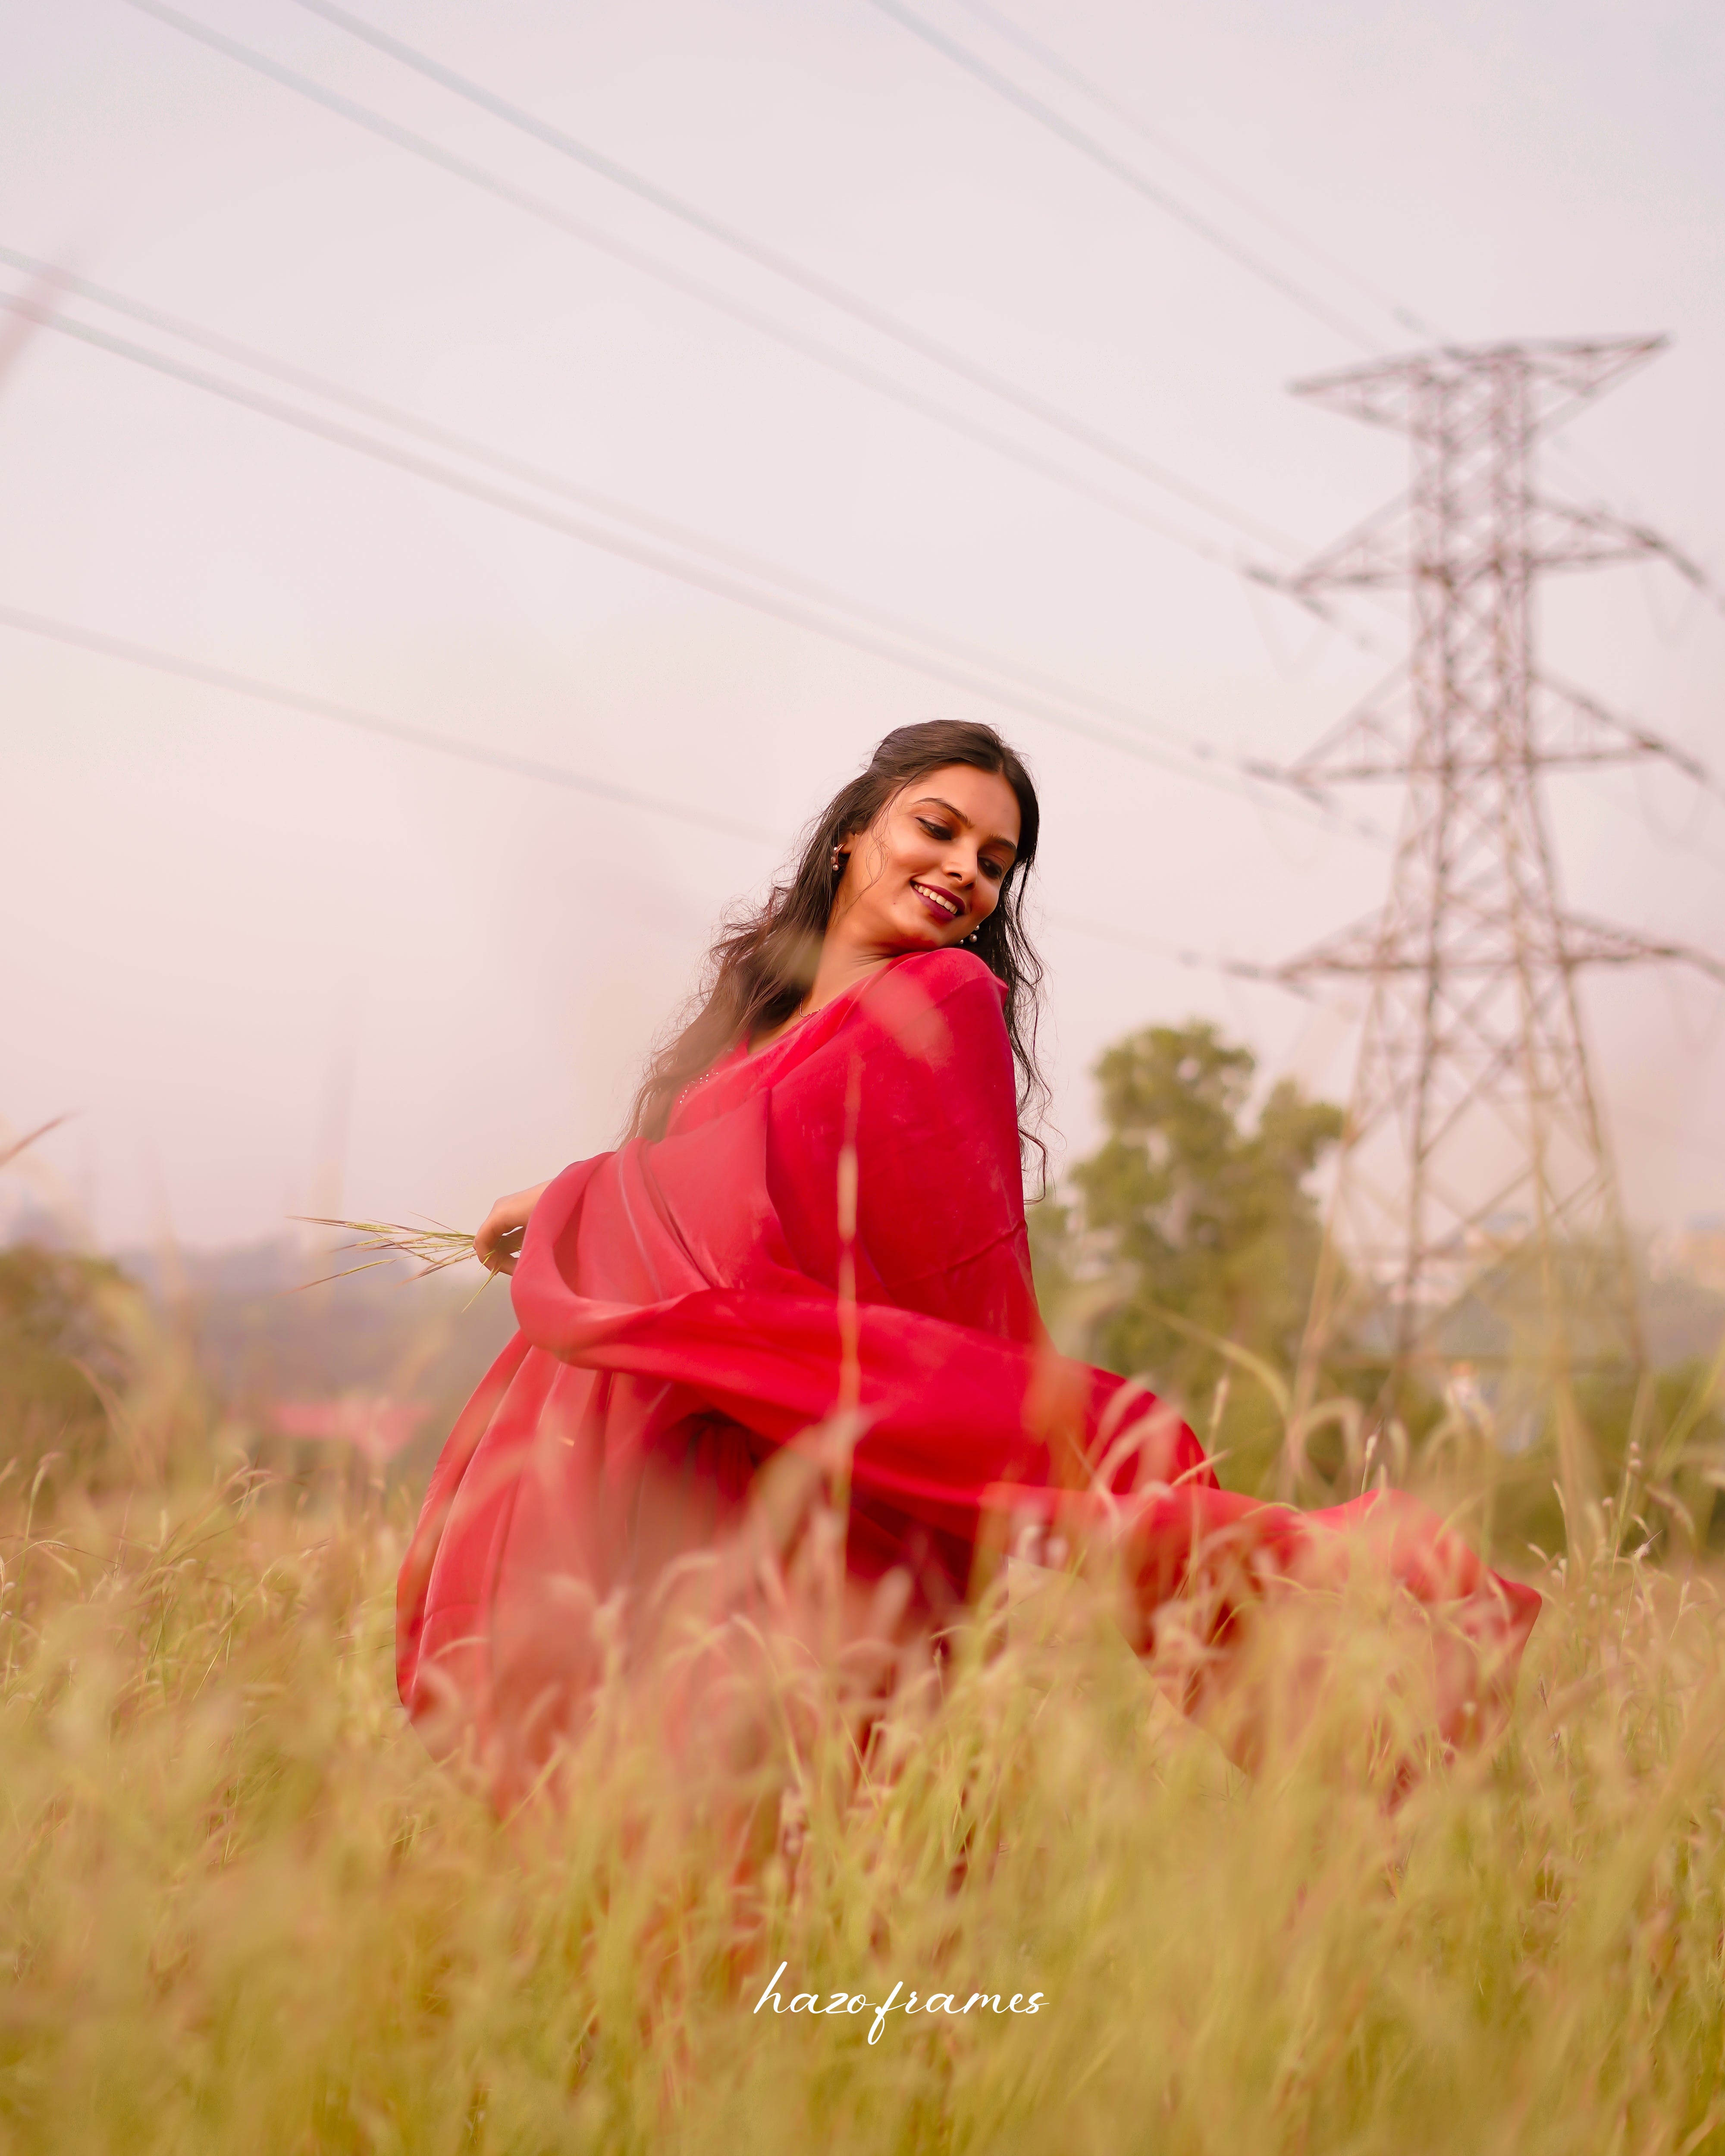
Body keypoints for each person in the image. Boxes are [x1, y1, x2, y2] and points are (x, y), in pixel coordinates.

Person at [397, 720, 1538, 1796]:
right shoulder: (748, 1028)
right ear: (855, 832)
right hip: (695, 1456)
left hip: (812, 1476)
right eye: (936, 828)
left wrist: (577, 1199)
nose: (965, 872)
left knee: (787, 1809)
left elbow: (770, 1185)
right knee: (624, 1783)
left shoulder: (939, 998)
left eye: (996, 861)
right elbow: (717, 1201)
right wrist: (602, 1219)